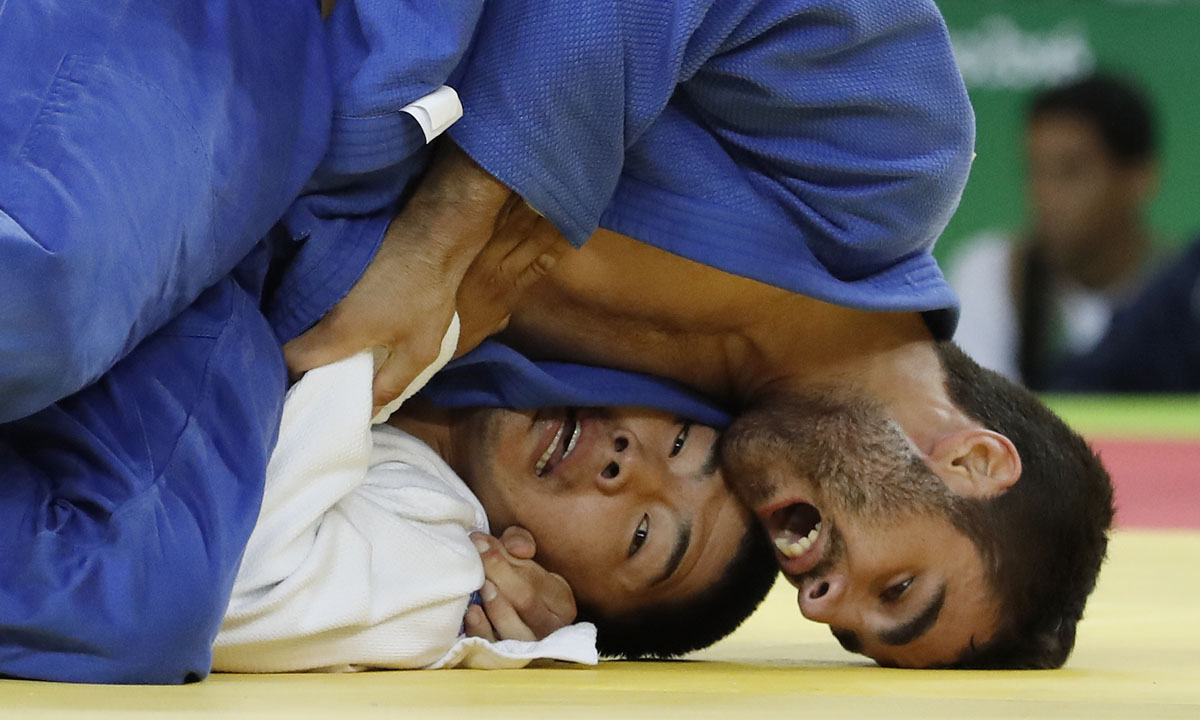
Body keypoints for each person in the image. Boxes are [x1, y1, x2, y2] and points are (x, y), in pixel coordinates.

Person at [1, 0, 980, 683]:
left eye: (643, 536)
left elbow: (303, 536)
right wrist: (449, 234)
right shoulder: (894, 159)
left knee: (136, 605)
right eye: (900, 591)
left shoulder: (528, 414)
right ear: (978, 461)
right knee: (38, 297)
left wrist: (470, 616)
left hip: (226, 284)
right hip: (267, 50)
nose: (822, 606)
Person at [214, 348, 776, 671]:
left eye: (642, 534)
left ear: (555, 601)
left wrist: (392, 329)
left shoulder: (443, 568)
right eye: (678, 442)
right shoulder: (512, 309)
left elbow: (234, 584)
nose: (628, 463)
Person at [947, 73, 1162, 387]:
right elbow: (978, 408)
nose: (1045, 195)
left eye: (1070, 171)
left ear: (1138, 178)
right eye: (1037, 171)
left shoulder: (1184, 296)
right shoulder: (990, 271)